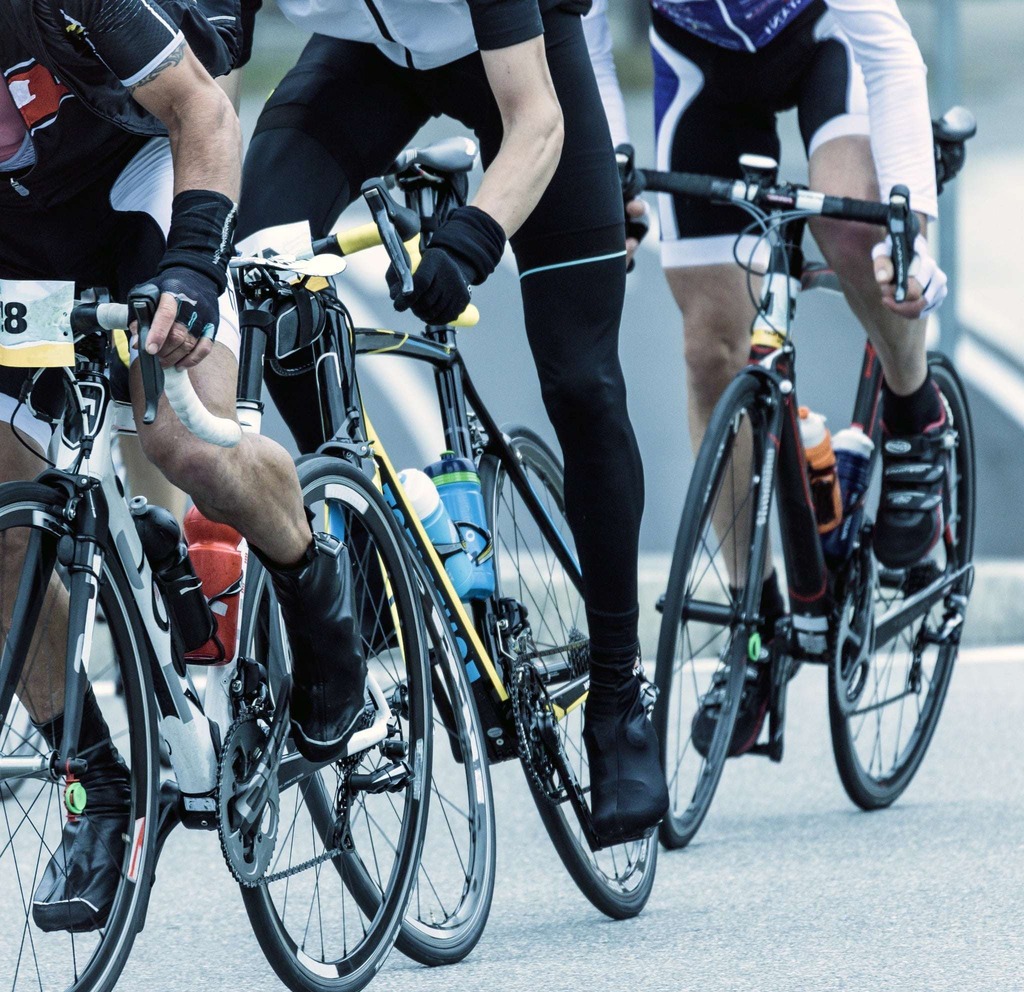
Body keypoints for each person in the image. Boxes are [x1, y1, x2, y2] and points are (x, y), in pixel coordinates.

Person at [236, 0, 670, 846]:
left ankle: (618, 693)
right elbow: (205, 91)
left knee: (582, 381)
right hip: (364, 60)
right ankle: (366, 544)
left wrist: (473, 238)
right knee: (262, 267)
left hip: (521, 62)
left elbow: (537, 121)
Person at [0, 0, 365, 933]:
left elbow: (203, 113)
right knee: (3, 527)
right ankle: (95, 785)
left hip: (141, 178)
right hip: (19, 242)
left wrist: (197, 268)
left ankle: (315, 590)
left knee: (185, 437)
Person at [591, 0, 948, 756]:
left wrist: (912, 225)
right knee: (709, 351)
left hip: (825, 40)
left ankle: (916, 414)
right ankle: (751, 623)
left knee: (852, 229)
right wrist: (613, 162)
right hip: (699, 64)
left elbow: (888, 55)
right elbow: (580, 36)